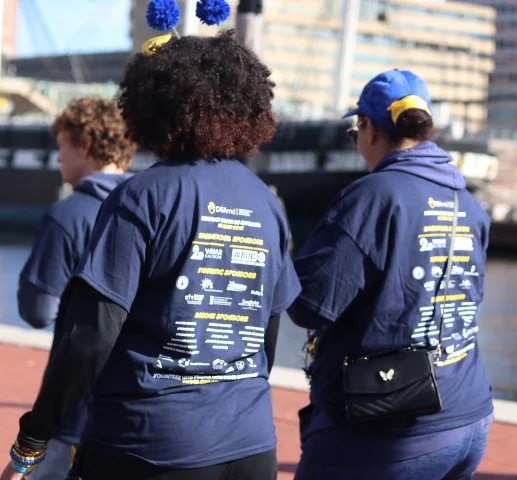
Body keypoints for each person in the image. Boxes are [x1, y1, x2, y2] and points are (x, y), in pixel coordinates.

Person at [1, 27, 300, 480]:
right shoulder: (266, 202)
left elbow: (89, 337)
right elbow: (266, 332)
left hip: (150, 444)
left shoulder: (142, 197)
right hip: (251, 444)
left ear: (149, 104)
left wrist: (33, 440)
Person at [288, 69, 494, 480]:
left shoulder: (371, 197)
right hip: (467, 414)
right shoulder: (466, 202)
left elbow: (309, 305)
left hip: (389, 423)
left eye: (355, 132)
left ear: (369, 128)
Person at [16, 97, 135, 480]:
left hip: (73, 408)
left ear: (84, 146)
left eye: (62, 146)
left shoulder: (68, 214)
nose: (58, 158)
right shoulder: (150, 208)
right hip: (138, 412)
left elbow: (38, 310)